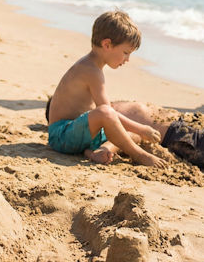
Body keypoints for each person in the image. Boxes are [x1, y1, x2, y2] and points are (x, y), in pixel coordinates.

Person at [46, 11, 166, 167]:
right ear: (107, 45)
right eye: (125, 53)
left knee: (131, 135)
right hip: (62, 135)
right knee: (108, 113)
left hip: (80, 132)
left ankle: (100, 150)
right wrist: (142, 128)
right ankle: (139, 155)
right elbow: (106, 112)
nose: (128, 59)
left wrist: (139, 131)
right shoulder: (90, 70)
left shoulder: (94, 67)